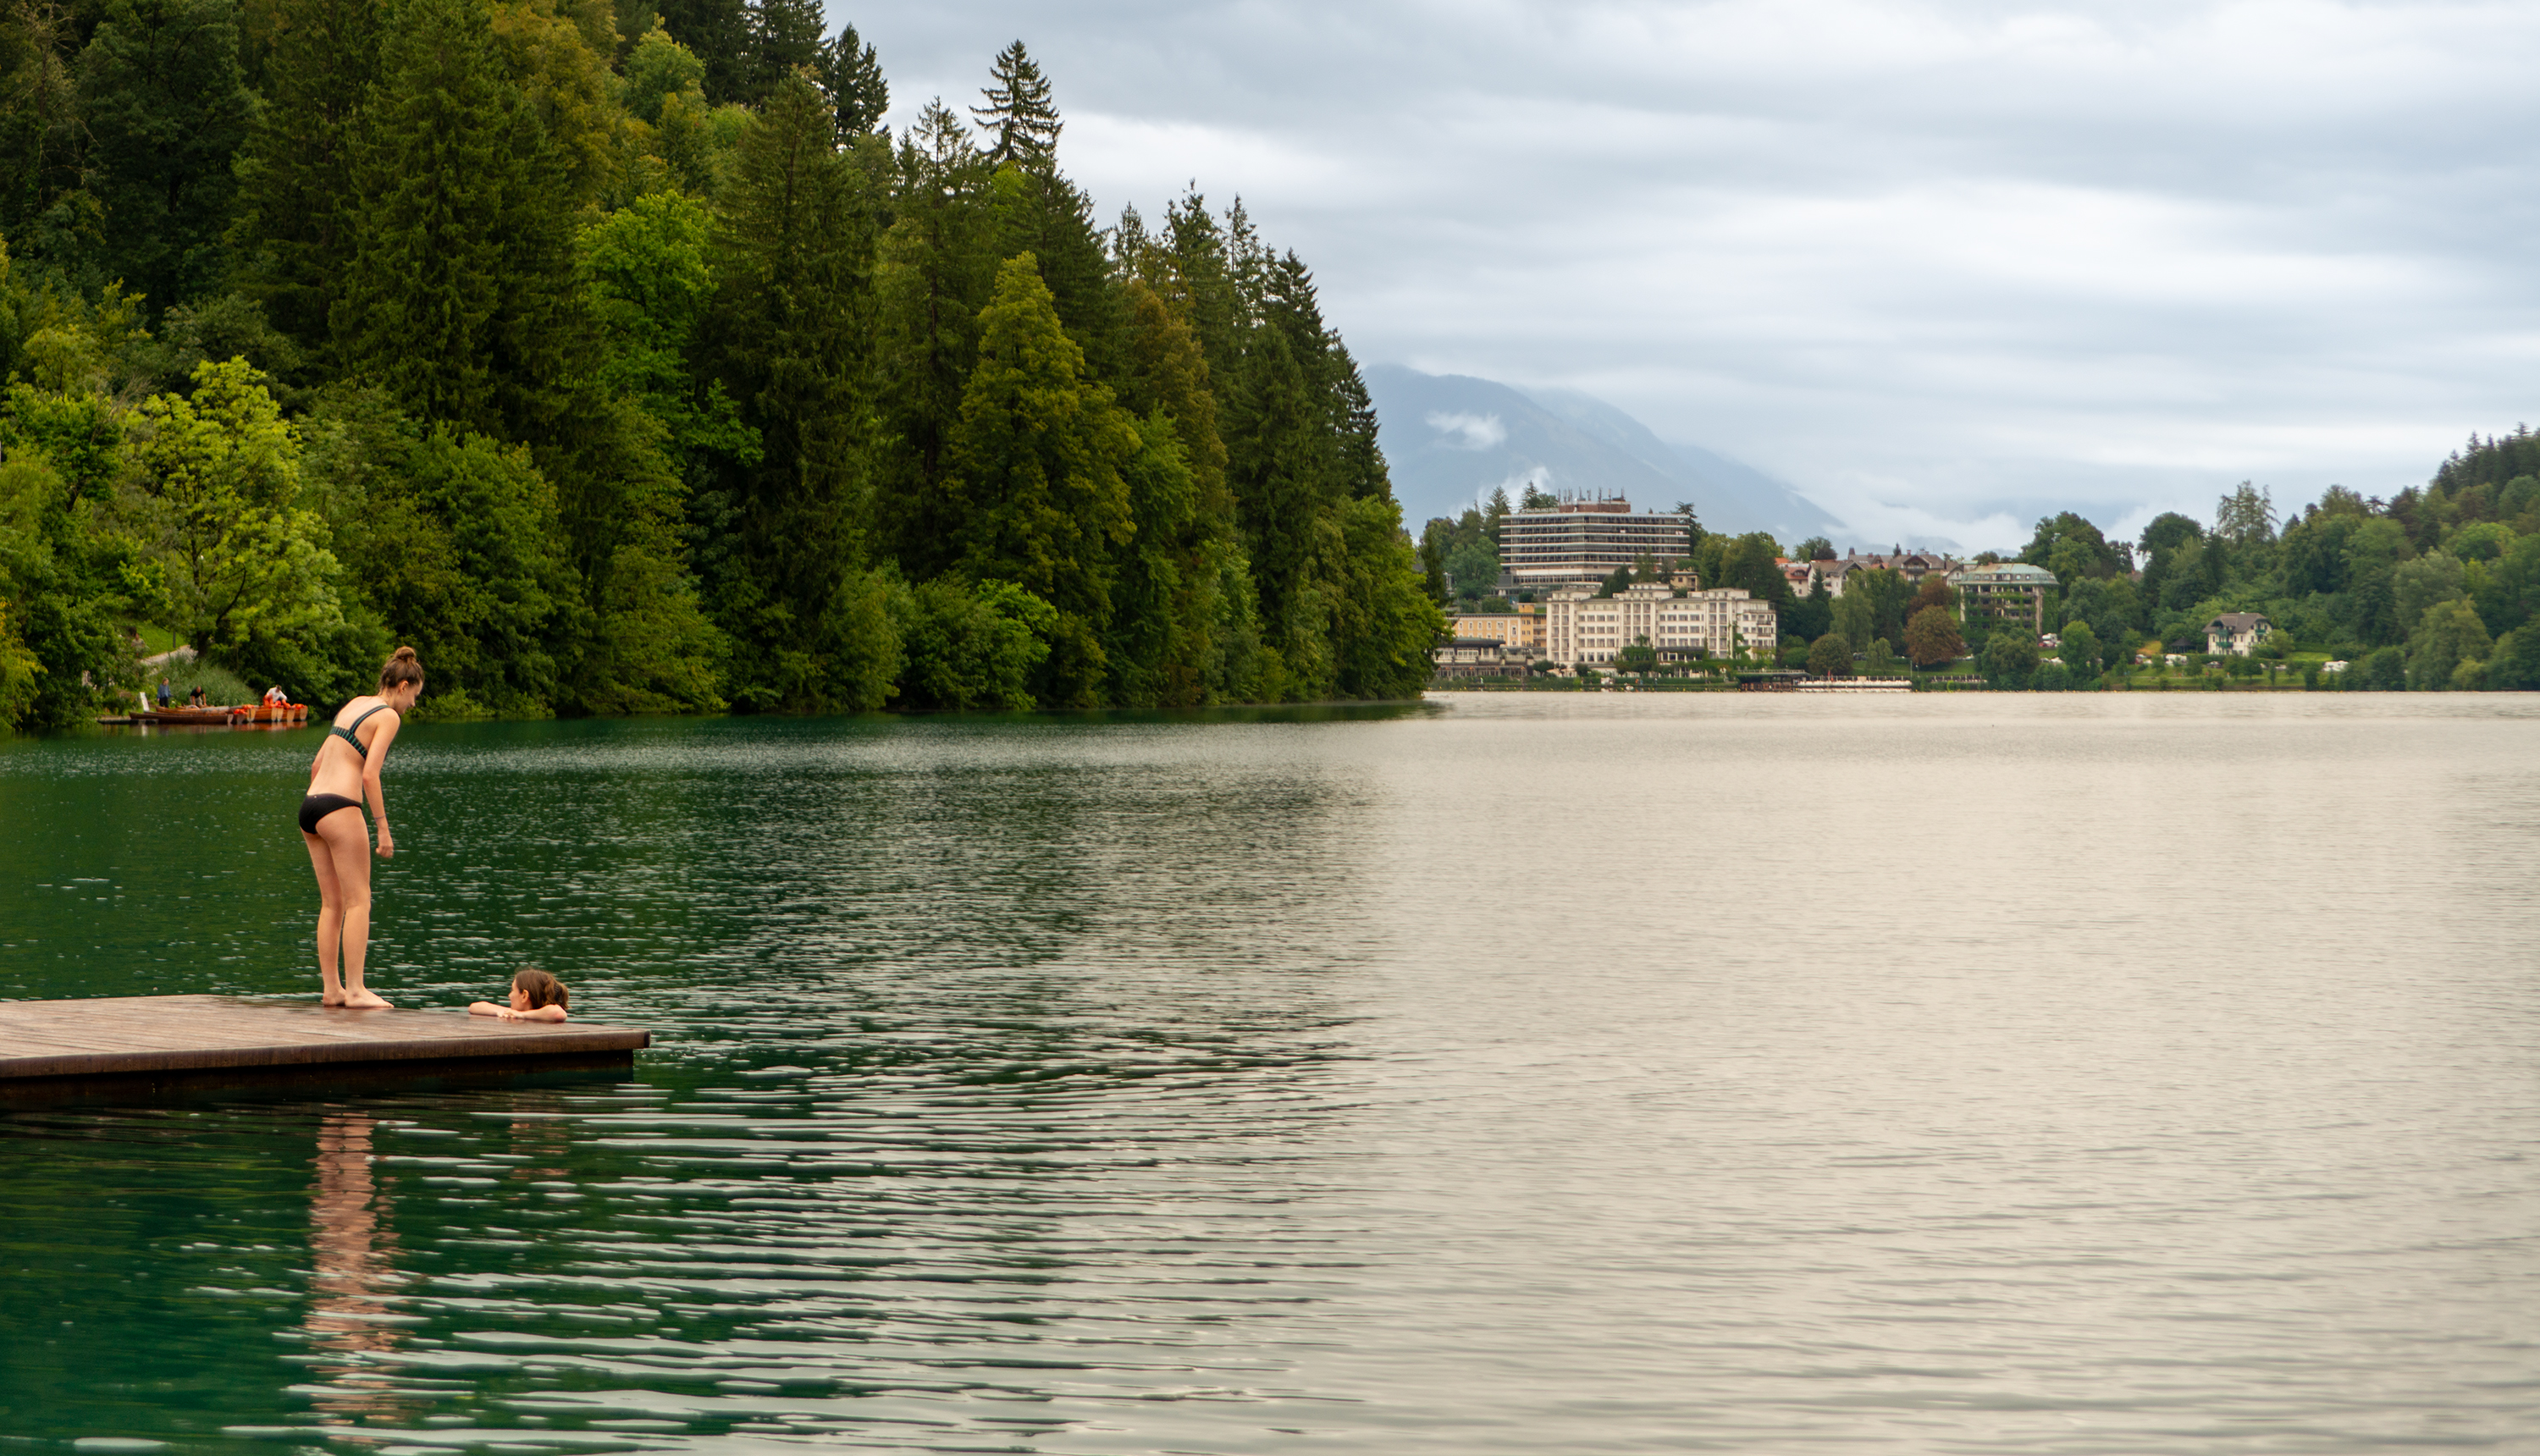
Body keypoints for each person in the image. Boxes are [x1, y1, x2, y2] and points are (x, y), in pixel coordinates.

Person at [300, 646, 424, 1009]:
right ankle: (355, 990)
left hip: (310, 807)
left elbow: (316, 764)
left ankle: (331, 990)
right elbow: (370, 774)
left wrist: (323, 803)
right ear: (402, 686)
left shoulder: (354, 703)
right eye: (414, 696)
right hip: (339, 806)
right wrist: (382, 828)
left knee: (331, 903)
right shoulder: (387, 716)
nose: (413, 705)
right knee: (359, 901)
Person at [470, 968, 571, 1023]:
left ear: (524, 996)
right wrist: (502, 1011)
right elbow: (474, 1007)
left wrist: (521, 1015)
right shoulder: (516, 1012)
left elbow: (558, 1013)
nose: (509, 995)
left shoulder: (549, 1013)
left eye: (512, 990)